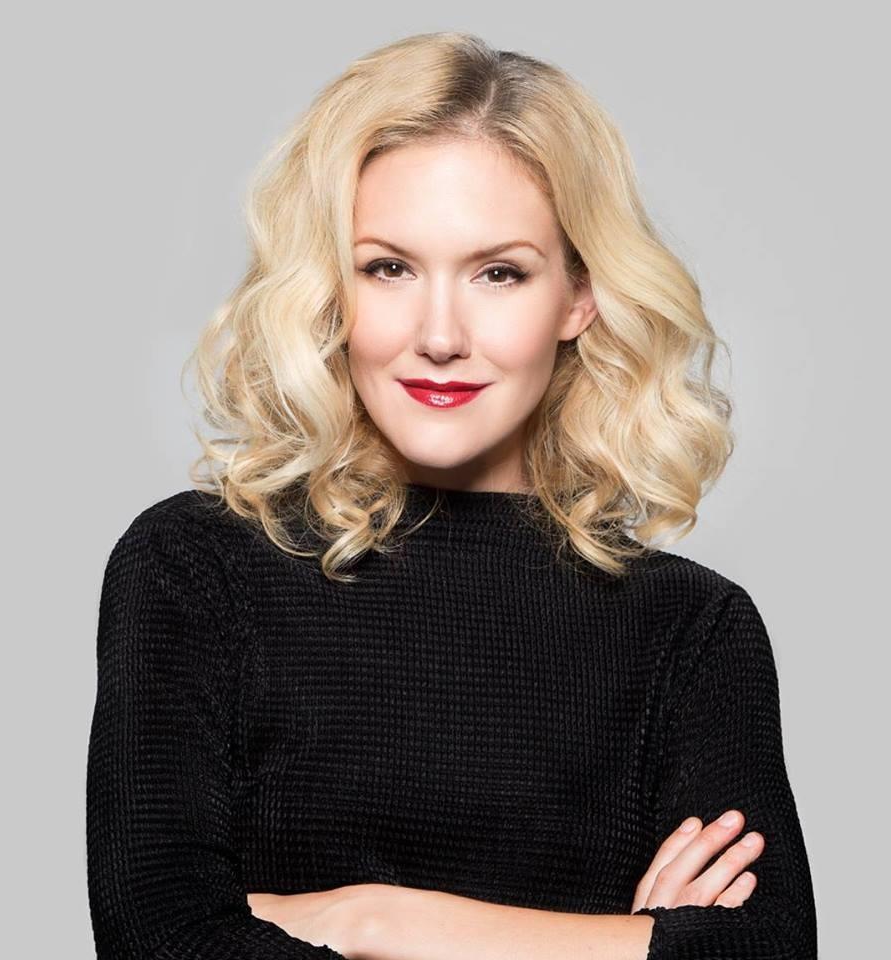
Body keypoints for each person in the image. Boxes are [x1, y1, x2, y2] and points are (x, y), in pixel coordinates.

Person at [85, 30, 817, 960]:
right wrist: (627, 944)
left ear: (578, 296)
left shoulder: (691, 630)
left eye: (498, 273)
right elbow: (164, 940)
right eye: (388, 267)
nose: (439, 336)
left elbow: (761, 952)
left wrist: (371, 920)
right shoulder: (194, 570)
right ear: (331, 287)